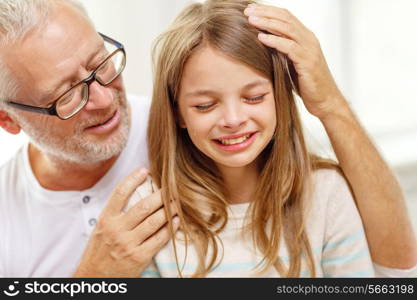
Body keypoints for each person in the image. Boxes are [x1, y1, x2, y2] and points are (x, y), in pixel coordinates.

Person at [0, 0, 415, 277]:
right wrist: (92, 280)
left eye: (100, 63)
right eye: (67, 95)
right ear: (9, 119)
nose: (106, 98)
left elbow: (396, 273)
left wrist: (330, 104)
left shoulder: (319, 194)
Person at [139, 0, 417, 277]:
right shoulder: (151, 208)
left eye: (254, 97)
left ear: (281, 97)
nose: (233, 119)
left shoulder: (325, 194)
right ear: (177, 114)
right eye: (205, 105)